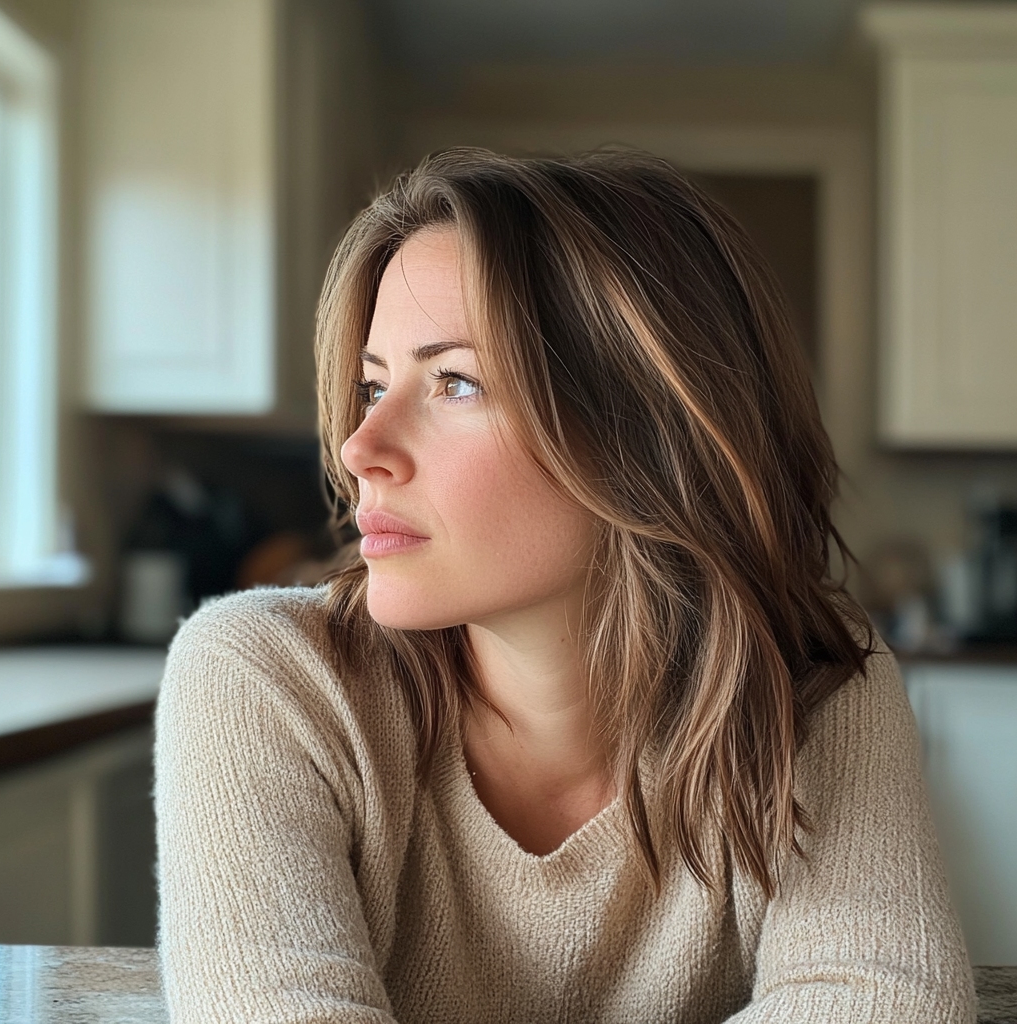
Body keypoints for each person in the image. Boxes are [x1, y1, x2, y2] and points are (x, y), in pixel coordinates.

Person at [154, 148, 977, 1023]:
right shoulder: (264, 679)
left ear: (649, 435)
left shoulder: (814, 686)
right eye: (372, 385)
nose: (361, 449)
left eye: (456, 382)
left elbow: (881, 1000)